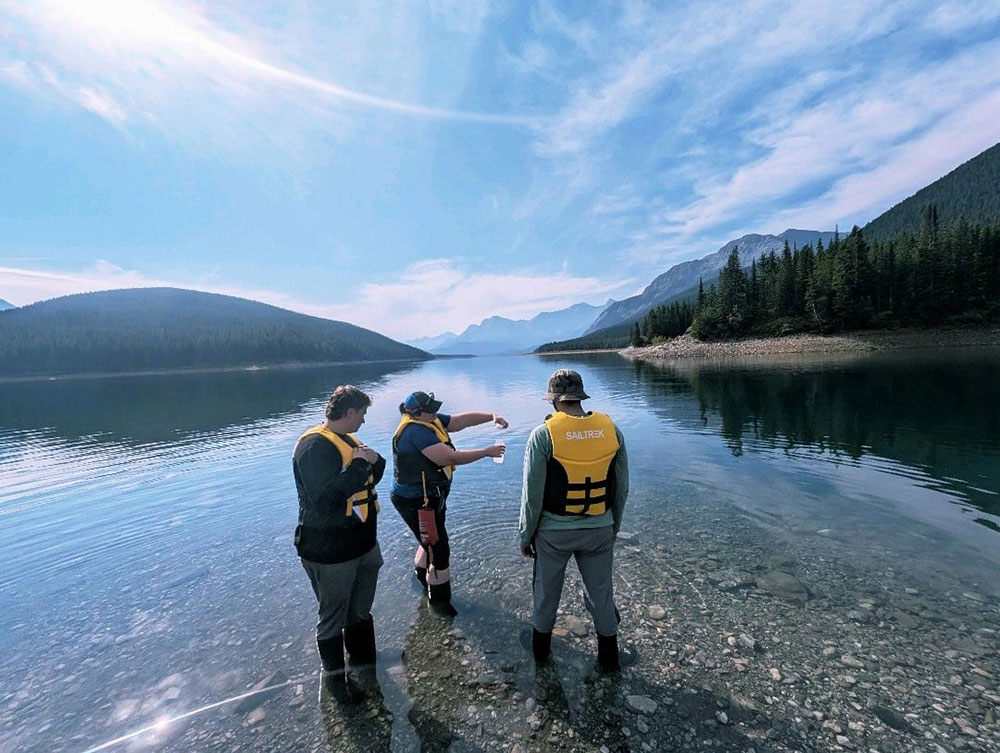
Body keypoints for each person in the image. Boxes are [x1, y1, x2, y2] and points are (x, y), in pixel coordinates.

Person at [518, 369, 629, 671]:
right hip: (600, 529)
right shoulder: (612, 429)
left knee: (545, 596)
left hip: (554, 534)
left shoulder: (543, 435)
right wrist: (612, 527)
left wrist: (525, 536)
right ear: (581, 396)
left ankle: (541, 659)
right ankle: (609, 661)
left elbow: (532, 495)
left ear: (554, 400)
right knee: (602, 595)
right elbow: (621, 488)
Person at [292, 385, 386, 704]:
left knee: (359, 611)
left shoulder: (350, 441)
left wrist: (374, 459)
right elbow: (326, 500)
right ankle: (337, 686)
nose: (363, 420)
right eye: (361, 414)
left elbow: (374, 477)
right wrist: (361, 465)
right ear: (348, 413)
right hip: (330, 552)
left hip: (362, 545)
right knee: (333, 617)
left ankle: (365, 665)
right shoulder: (314, 448)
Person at [391, 390, 508, 616]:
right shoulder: (415, 431)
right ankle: (440, 603)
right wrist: (487, 452)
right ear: (416, 412)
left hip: (430, 497)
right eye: (431, 409)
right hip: (417, 501)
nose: (436, 413)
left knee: (430, 539)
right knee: (439, 550)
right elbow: (449, 458)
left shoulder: (427, 419)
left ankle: (422, 580)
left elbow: (459, 421)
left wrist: (491, 415)